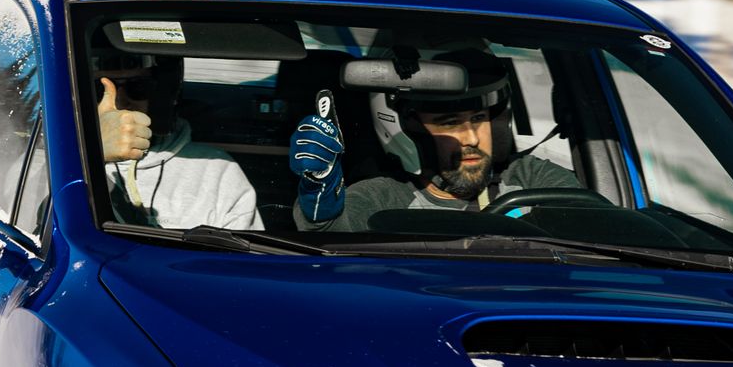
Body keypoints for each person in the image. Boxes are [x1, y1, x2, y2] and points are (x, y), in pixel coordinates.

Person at [287, 49, 578, 231]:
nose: (472, 138)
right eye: (449, 123)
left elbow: (595, 223)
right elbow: (330, 235)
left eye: (478, 118)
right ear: (408, 133)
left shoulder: (531, 178)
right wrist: (319, 193)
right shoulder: (383, 198)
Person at [95, 49, 261, 231]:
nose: (119, 101)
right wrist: (92, 152)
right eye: (99, 90)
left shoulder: (215, 168)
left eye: (138, 88)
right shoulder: (61, 163)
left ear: (161, 94)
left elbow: (248, 254)